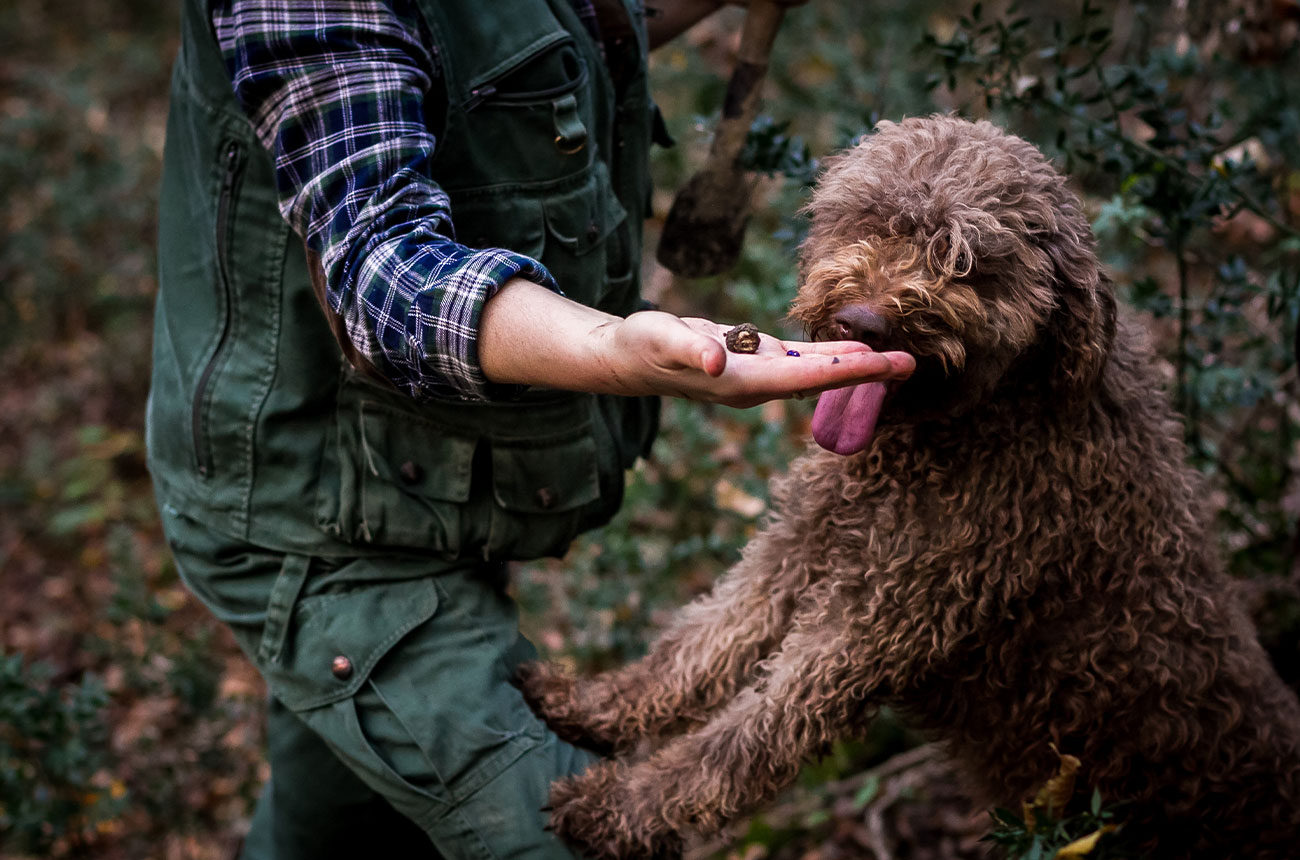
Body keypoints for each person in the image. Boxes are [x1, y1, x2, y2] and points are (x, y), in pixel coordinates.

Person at [146, 0, 913, 857]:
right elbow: (381, 273)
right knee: (576, 836)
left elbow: (551, 27)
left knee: (336, 830)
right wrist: (612, 347)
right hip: (318, 519)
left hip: (438, 481)